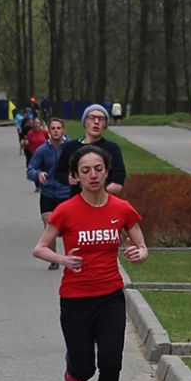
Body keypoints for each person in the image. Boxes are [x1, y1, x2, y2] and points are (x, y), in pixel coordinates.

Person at [33, 145, 148, 381]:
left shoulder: (122, 209)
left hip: (110, 297)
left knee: (111, 363)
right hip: (75, 299)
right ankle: (73, 365)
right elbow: (40, 248)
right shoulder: (66, 210)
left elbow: (141, 245)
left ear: (107, 172)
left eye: (98, 169)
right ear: (76, 176)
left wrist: (139, 254)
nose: (93, 175)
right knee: (85, 369)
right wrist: (62, 260)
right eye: (85, 170)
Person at [27, 117, 71, 270]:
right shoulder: (42, 150)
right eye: (53, 128)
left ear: (63, 130)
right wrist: (38, 174)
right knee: (49, 225)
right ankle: (54, 259)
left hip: (66, 193)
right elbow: (30, 170)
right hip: (48, 193)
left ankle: (71, 257)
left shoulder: (70, 148)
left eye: (59, 128)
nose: (56, 131)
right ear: (49, 131)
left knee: (69, 228)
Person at [55, 104, 127, 196]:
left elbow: (119, 176)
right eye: (92, 118)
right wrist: (67, 179)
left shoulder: (112, 148)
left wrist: (104, 191)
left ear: (105, 124)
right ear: (85, 122)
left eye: (101, 119)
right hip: (77, 198)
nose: (96, 122)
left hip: (104, 199)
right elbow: (59, 172)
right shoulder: (71, 147)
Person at [23, 117, 48, 190]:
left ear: (40, 124)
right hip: (33, 154)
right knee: (36, 169)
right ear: (33, 124)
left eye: (38, 123)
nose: (37, 125)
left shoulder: (44, 132)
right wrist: (26, 143)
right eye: (35, 123)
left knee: (43, 169)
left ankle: (43, 183)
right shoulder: (30, 133)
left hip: (43, 154)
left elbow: (48, 140)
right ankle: (37, 185)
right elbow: (27, 144)